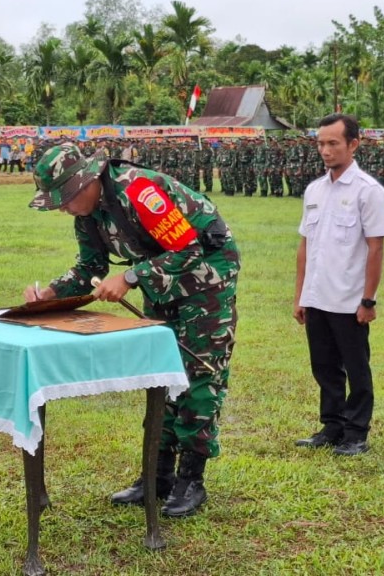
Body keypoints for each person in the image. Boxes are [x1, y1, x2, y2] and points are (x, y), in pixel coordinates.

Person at [25, 143, 239, 518]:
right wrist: (50, 293)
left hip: (206, 279)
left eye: (66, 197)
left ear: (88, 180)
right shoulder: (88, 212)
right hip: (163, 283)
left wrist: (130, 276)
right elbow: (87, 267)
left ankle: (192, 479)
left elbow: (187, 249)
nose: (64, 206)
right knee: (161, 373)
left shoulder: (138, 190)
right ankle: (157, 477)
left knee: (198, 374)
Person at [293, 114, 384, 456]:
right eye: (321, 143)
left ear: (353, 144)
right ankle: (332, 426)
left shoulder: (369, 192)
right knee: (324, 366)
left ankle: (356, 433)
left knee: (356, 368)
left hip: (349, 299)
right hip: (317, 296)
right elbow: (305, 245)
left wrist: (369, 300)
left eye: (333, 143)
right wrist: (300, 296)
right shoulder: (314, 190)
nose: (325, 150)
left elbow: (376, 248)